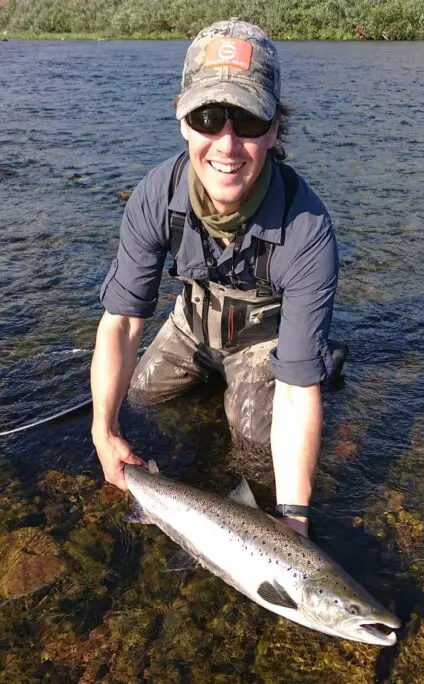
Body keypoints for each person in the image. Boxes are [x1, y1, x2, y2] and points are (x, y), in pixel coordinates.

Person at [91, 18, 347, 537]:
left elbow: (297, 392)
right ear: (183, 122)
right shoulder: (155, 196)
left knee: (256, 449)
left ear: (275, 128)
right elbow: (121, 324)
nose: (227, 146)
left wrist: (293, 518)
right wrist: (104, 428)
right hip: (190, 329)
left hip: (260, 343)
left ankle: (315, 356)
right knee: (138, 399)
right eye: (209, 118)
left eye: (248, 122)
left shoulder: (308, 228)